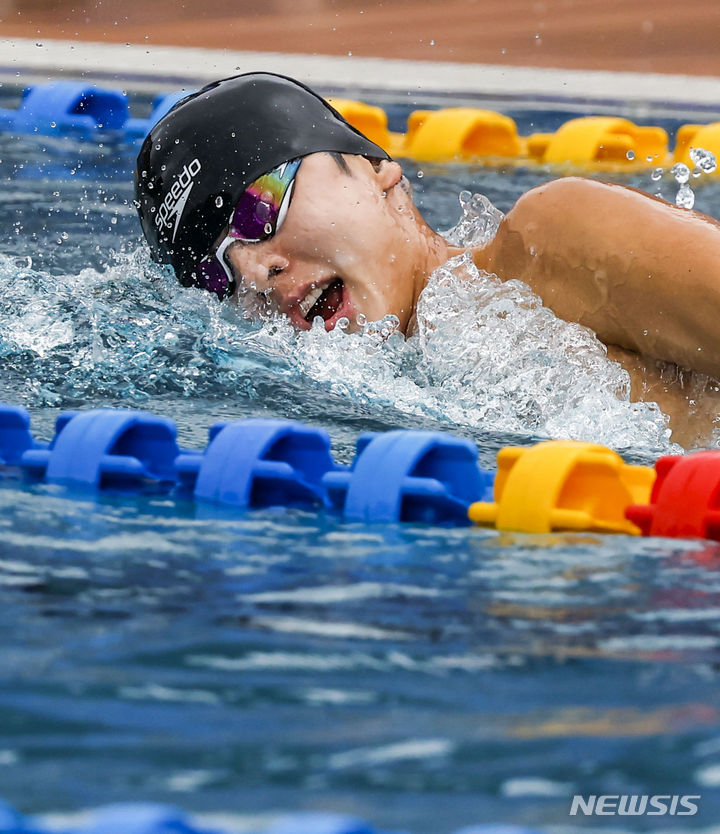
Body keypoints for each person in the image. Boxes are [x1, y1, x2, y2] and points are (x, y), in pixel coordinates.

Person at [135, 72, 720, 447]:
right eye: (217, 273)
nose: (255, 273)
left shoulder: (552, 243)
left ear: (377, 171)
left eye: (260, 207)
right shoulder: (348, 417)